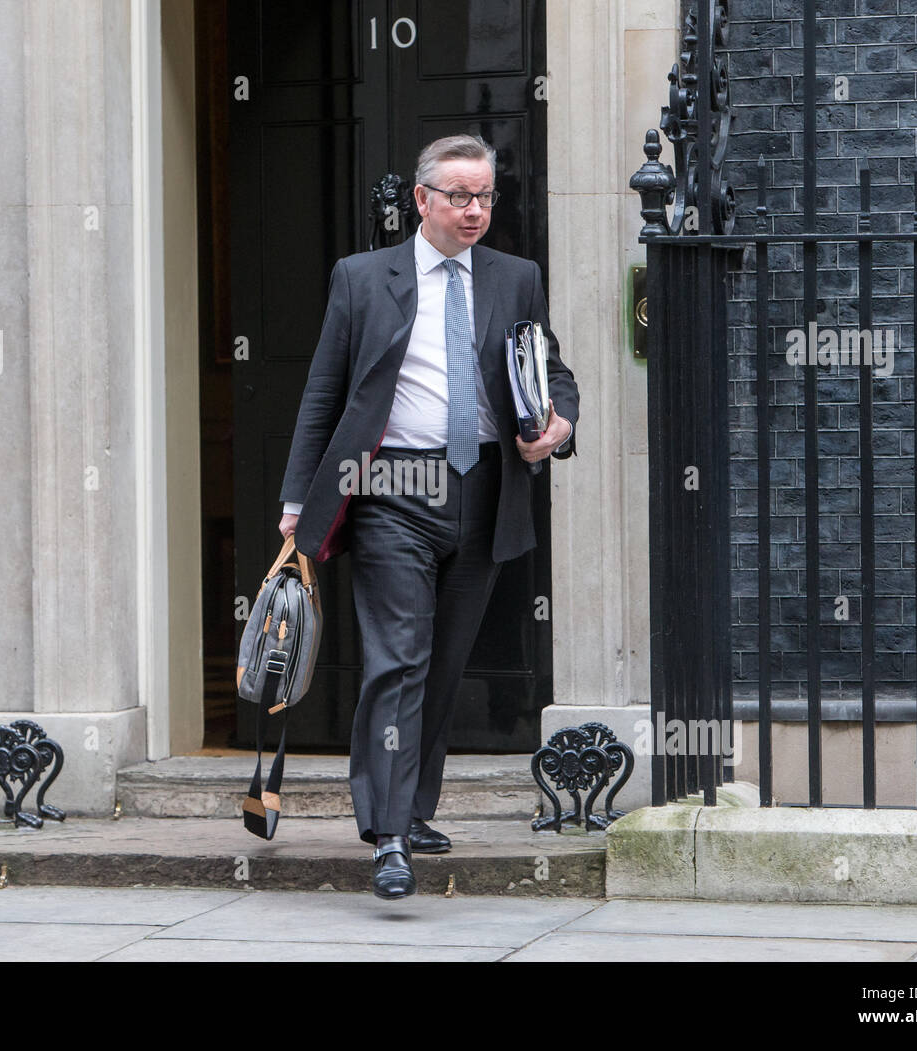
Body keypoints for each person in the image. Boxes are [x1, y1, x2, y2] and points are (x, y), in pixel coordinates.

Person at [277, 133, 580, 900]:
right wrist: (294, 497)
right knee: (398, 658)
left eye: (485, 196)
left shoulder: (516, 278)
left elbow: (555, 371)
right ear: (422, 200)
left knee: (443, 664)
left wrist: (559, 423)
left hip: (482, 490)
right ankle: (385, 833)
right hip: (391, 493)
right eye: (459, 197)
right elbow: (323, 393)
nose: (475, 210)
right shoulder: (361, 278)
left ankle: (414, 809)